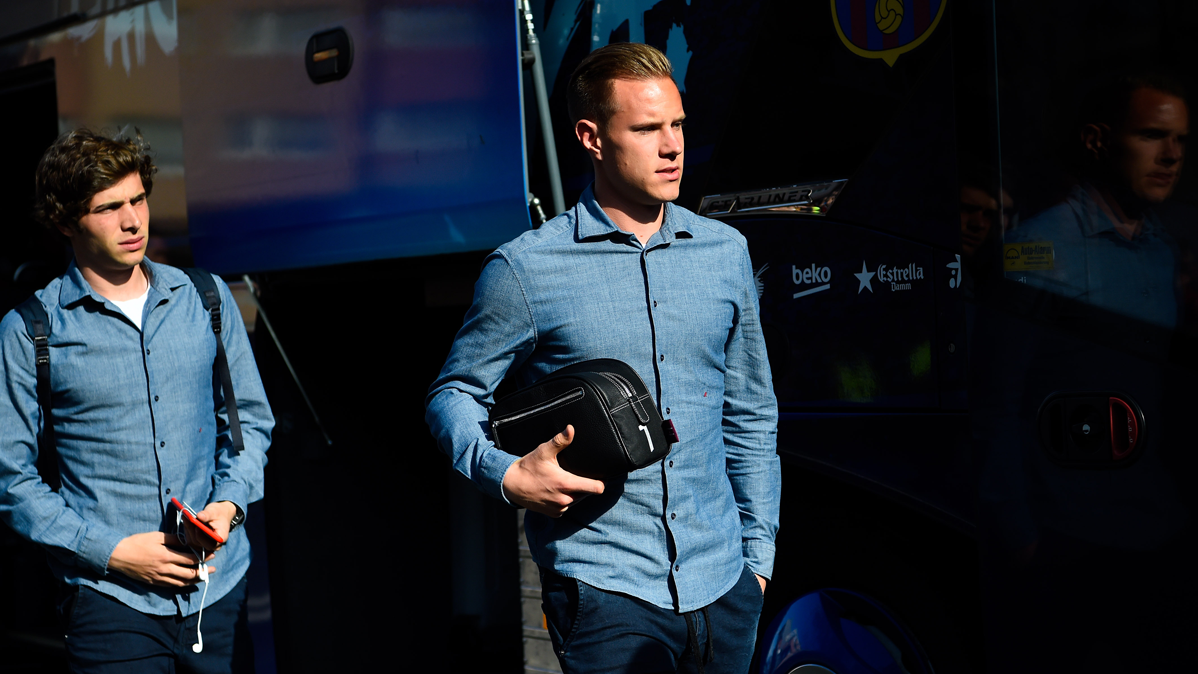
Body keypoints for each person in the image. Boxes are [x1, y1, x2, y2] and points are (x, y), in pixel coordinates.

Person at [426, 42, 780, 673]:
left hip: (725, 586)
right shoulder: (525, 269)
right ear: (591, 137)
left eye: (677, 124)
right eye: (647, 129)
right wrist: (506, 475)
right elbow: (453, 394)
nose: (672, 146)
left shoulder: (725, 252)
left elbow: (751, 415)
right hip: (605, 587)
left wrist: (757, 560)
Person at [0, 129, 273, 673]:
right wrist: (113, 552)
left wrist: (229, 505)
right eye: (108, 208)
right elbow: (12, 480)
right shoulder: (31, 330)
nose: (132, 221)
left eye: (138, 200)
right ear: (65, 222)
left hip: (215, 593)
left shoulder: (206, 298)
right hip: (109, 601)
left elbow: (249, 427)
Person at [1006, 72, 1187, 328]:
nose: (1173, 154)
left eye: (1181, 139)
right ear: (1096, 140)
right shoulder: (1038, 245)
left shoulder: (1163, 249)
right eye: (1152, 135)